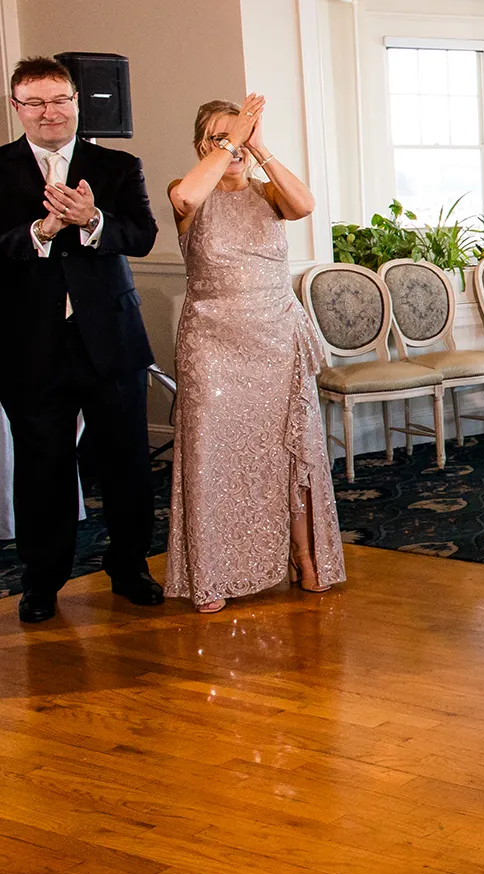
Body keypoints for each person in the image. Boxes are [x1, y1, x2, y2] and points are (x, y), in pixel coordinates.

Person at [164, 96, 345, 613]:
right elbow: (186, 198)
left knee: (291, 450)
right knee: (211, 456)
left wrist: (258, 145)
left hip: (275, 338)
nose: (237, 144)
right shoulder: (188, 190)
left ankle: (306, 560)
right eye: (225, 136)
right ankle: (211, 573)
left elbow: (305, 205)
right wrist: (227, 143)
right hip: (212, 344)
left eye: (243, 133)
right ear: (205, 144)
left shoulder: (268, 195)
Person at [0, 57, 164, 623]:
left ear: (76, 101)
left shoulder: (117, 165)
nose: (50, 112)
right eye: (35, 102)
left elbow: (142, 236)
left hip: (111, 340)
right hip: (29, 349)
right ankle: (41, 583)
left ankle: (130, 568)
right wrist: (39, 232)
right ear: (16, 107)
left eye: (59, 99)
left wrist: (94, 221)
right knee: (41, 470)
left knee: (126, 464)